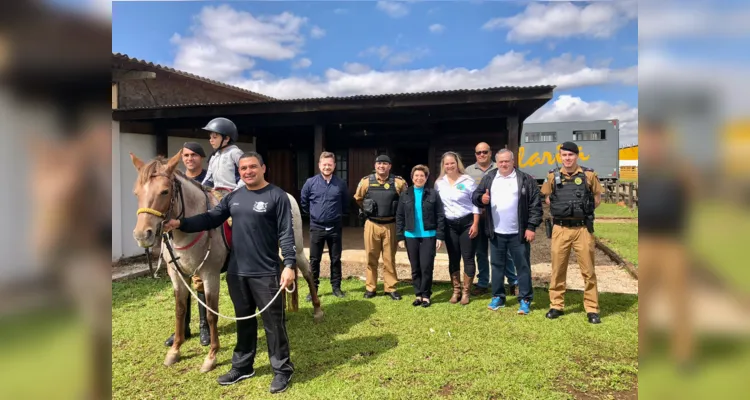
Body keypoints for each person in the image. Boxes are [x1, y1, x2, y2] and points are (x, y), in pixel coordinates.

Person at [163, 151, 296, 393]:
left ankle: (282, 370)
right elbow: (210, 218)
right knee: (243, 323)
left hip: (266, 272)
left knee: (273, 324)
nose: (248, 171)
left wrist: (288, 265)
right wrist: (180, 224)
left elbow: (287, 233)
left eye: (253, 167)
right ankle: (243, 366)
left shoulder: (277, 196)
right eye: (243, 168)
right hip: (237, 272)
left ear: (263, 168)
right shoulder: (234, 197)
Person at [540, 141, 604, 324]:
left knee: (588, 270)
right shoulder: (552, 176)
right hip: (560, 228)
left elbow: (597, 198)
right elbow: (547, 198)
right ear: (560, 156)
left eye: (571, 155)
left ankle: (592, 308)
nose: (567, 158)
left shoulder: (589, 175)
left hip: (582, 228)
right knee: (557, 268)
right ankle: (556, 305)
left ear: (577, 156)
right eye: (564, 155)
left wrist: (582, 210)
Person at [472, 149, 542, 314]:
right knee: (496, 266)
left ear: (513, 161)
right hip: (496, 232)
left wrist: (531, 227)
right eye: (501, 161)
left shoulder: (525, 179)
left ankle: (525, 299)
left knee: (522, 266)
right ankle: (498, 296)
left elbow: (535, 205)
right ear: (497, 162)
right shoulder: (489, 178)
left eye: (507, 161)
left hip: (519, 233)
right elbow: (475, 195)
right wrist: (481, 199)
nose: (504, 164)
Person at [163, 142, 211, 348]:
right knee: (180, 283)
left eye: (194, 155)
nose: (189, 159)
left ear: (201, 157)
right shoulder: (177, 180)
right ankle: (183, 328)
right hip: (179, 236)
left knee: (199, 279)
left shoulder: (209, 178)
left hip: (201, 234)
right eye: (186, 155)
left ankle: (204, 327)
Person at [465, 142, 517, 297]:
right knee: (480, 252)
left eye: (485, 152)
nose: (482, 155)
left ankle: (513, 282)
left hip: (498, 217)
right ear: (475, 154)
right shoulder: (468, 171)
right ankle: (483, 283)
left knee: (504, 251)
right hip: (478, 217)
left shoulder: (500, 166)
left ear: (490, 153)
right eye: (479, 152)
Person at [354, 154, 408, 300]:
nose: (381, 166)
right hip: (371, 224)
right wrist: (368, 209)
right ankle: (370, 288)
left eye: (385, 163)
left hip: (391, 224)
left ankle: (390, 288)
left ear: (390, 166)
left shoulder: (398, 182)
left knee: (389, 258)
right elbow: (358, 198)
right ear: (375, 166)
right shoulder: (366, 182)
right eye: (379, 164)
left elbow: (406, 200)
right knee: (371, 257)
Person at [300, 151, 349, 300]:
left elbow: (346, 204)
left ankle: (336, 288)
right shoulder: (310, 183)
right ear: (319, 165)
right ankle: (313, 289)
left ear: (334, 166)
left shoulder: (340, 184)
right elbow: (304, 202)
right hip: (317, 227)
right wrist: (315, 215)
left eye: (330, 164)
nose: (327, 167)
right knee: (315, 260)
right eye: (324, 164)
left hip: (335, 227)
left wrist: (337, 216)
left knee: (335, 259)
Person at [396, 164, 445, 308]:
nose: (419, 178)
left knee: (426, 266)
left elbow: (440, 215)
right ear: (412, 178)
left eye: (422, 176)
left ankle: (426, 295)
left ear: (426, 178)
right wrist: (400, 237)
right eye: (416, 175)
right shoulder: (405, 194)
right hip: (411, 235)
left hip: (429, 235)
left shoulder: (433, 193)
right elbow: (399, 216)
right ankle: (418, 294)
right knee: (415, 267)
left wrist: (440, 236)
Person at [434, 151, 480, 305]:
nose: (449, 166)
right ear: (443, 166)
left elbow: (475, 204)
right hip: (449, 225)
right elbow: (438, 206)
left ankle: (466, 292)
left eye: (452, 163)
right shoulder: (439, 183)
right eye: (446, 164)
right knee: (453, 258)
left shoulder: (468, 180)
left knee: (468, 258)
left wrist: (475, 223)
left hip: (467, 223)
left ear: (457, 163)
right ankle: (456, 290)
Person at [201, 117, 244, 194]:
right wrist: (200, 188)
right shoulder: (214, 156)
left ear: (226, 138)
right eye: (210, 137)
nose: (211, 140)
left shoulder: (235, 153)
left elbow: (245, 175)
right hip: (216, 193)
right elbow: (209, 177)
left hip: (233, 192)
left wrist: (235, 193)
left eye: (214, 137)